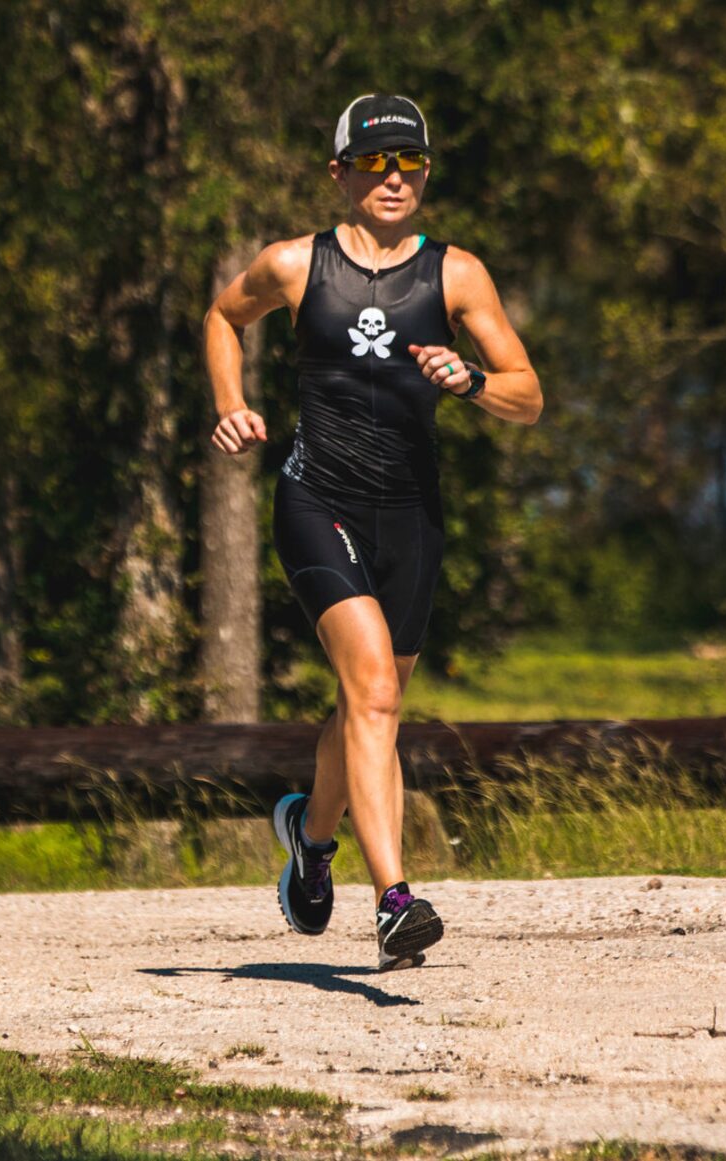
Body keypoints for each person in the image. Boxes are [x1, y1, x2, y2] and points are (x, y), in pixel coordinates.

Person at [204, 94, 542, 971]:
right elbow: (220, 318)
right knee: (376, 699)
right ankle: (394, 898)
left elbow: (528, 396)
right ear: (340, 173)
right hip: (319, 499)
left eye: (410, 164)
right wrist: (232, 406)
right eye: (374, 162)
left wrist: (467, 380)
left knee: (371, 703)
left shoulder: (457, 275)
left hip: (413, 518)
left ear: (426, 173)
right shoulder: (292, 265)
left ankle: (310, 835)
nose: (393, 178)